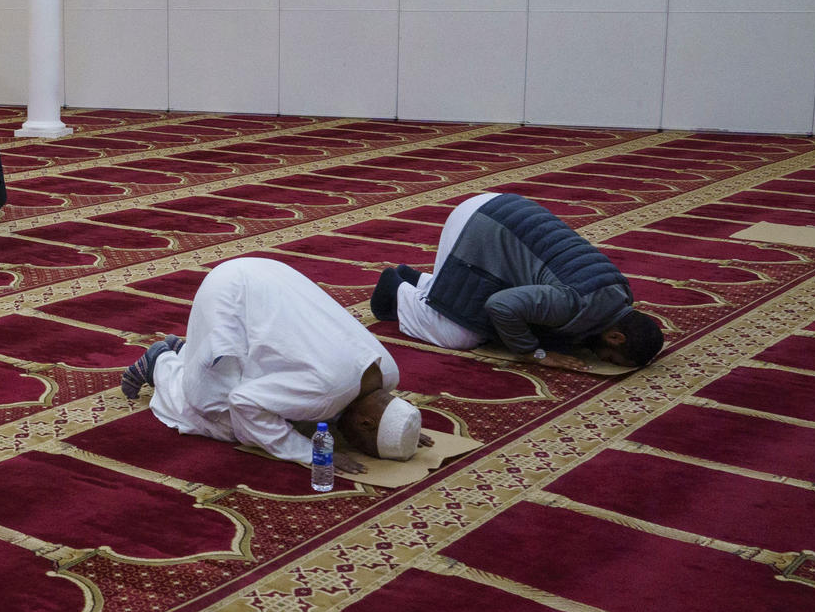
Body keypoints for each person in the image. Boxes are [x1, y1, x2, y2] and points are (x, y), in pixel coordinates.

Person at [118, 256, 426, 476]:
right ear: (366, 424)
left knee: (291, 410)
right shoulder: (326, 390)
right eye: (364, 442)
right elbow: (243, 403)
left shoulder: (388, 373)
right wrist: (310, 453)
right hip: (232, 292)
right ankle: (162, 362)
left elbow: (363, 403)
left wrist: (401, 427)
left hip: (267, 274)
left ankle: (191, 353)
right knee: (216, 412)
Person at [370, 192, 664, 368]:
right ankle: (396, 292)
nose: (603, 361)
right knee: (462, 335)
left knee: (494, 317)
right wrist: (534, 353)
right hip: (479, 226)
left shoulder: (620, 293)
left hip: (500, 213)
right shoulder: (572, 304)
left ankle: (420, 281)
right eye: (610, 359)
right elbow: (501, 306)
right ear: (616, 336)